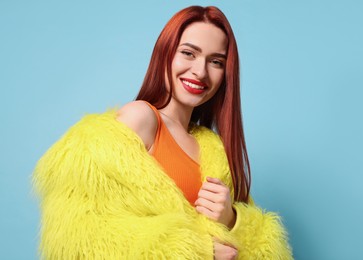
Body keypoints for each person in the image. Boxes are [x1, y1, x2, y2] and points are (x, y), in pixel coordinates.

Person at [33, 5, 292, 260]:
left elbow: (268, 252)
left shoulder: (215, 150)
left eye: (215, 61)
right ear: (165, 53)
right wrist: (196, 250)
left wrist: (233, 220)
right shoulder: (141, 118)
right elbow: (77, 236)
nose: (200, 71)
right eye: (189, 53)